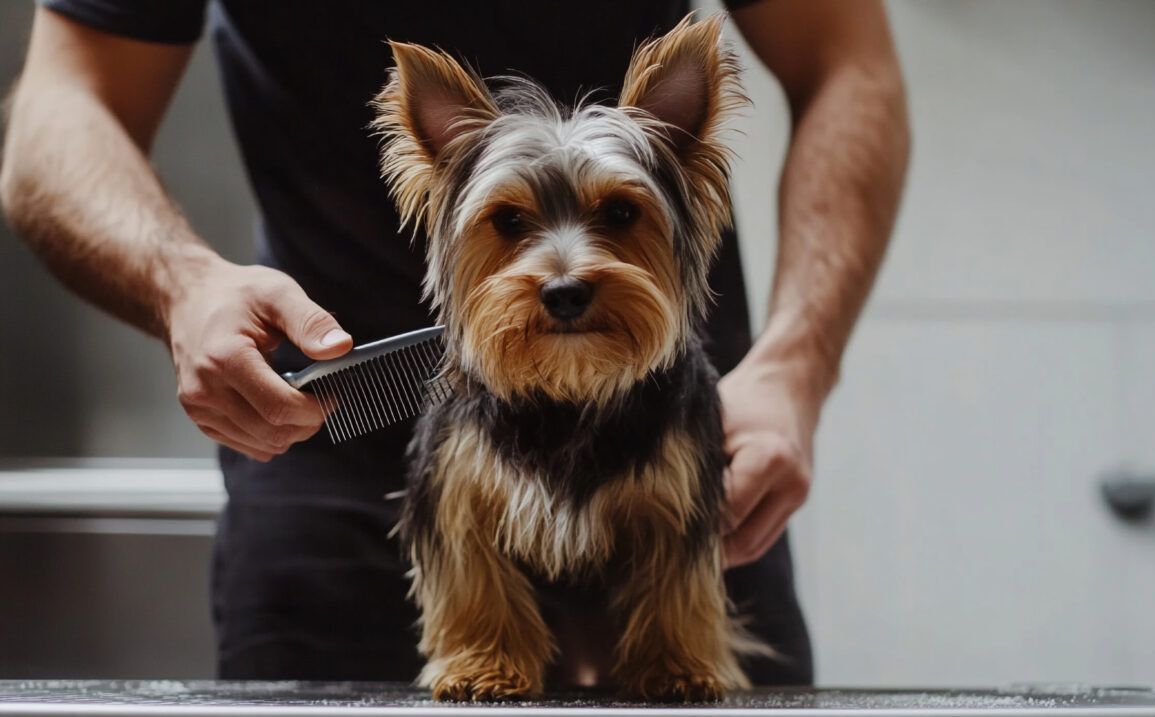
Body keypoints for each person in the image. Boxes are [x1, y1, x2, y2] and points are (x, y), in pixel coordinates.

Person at [0, 0, 909, 684]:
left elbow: (848, 62)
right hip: (331, 431)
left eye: (618, 216)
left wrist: (794, 365)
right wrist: (180, 284)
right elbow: (62, 102)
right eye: (512, 227)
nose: (560, 271)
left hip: (689, 448)